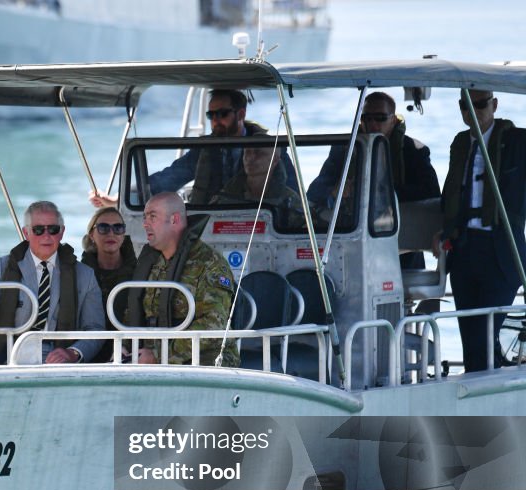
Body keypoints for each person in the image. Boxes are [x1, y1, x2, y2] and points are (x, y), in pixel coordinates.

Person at [90, 89, 296, 209]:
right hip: (211, 222)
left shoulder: (270, 149)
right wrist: (120, 197)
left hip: (260, 222)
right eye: (211, 116)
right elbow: (168, 178)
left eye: (222, 114)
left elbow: (294, 193)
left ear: (241, 114)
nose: (215, 121)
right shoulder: (204, 150)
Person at [439, 90, 526, 372]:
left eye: (480, 104)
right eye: (466, 105)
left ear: (494, 105)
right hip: (464, 250)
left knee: (487, 335)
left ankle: (492, 389)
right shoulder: (460, 143)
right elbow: (451, 193)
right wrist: (444, 231)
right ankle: (476, 391)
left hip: (502, 249)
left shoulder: (518, 142)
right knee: (471, 337)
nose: (473, 111)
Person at [308, 91, 440, 266]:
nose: (372, 124)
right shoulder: (343, 149)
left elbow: (431, 192)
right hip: (351, 244)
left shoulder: (413, 150)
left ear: (393, 120)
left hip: (400, 247)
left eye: (380, 118)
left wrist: (381, 192)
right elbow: (314, 192)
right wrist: (336, 190)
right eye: (367, 118)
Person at [0, 200, 105, 364]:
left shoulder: (85, 275)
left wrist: (73, 353)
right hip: (11, 354)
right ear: (26, 233)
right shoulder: (4, 267)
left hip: (60, 360)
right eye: (38, 230)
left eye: (53, 229)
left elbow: (95, 329)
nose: (46, 236)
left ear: (62, 232)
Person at [123, 192, 239, 367]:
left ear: (175, 219)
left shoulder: (210, 264)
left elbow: (214, 326)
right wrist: (124, 346)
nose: (145, 223)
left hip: (203, 358)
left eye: (152, 217)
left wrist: (160, 355)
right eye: (144, 217)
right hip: (150, 358)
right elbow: (135, 310)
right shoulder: (151, 261)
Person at [81, 207, 137, 360]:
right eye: (103, 228)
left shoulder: (140, 273)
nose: (111, 233)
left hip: (128, 353)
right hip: (85, 352)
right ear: (92, 235)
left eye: (118, 228)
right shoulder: (79, 274)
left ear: (123, 234)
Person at [211, 146, 306, 230]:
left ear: (275, 160)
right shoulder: (224, 198)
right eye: (247, 152)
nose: (250, 158)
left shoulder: (291, 201)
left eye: (259, 153)